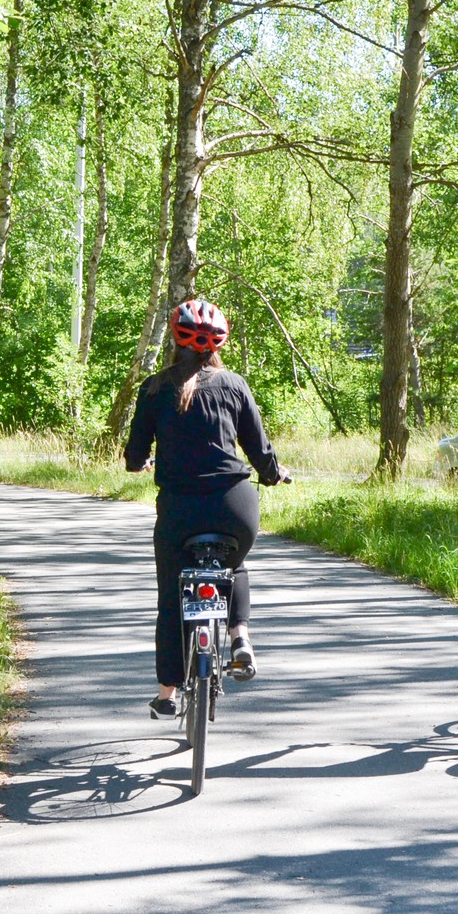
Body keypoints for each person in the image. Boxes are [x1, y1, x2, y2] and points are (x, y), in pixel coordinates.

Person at [125, 298, 290, 719]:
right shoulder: (235, 385)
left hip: (180, 512)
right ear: (218, 345)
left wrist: (142, 463)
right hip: (234, 507)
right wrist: (275, 475)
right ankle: (240, 639)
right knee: (232, 567)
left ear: (175, 342)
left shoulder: (155, 388)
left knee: (171, 598)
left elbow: (134, 455)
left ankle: (167, 694)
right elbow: (260, 451)